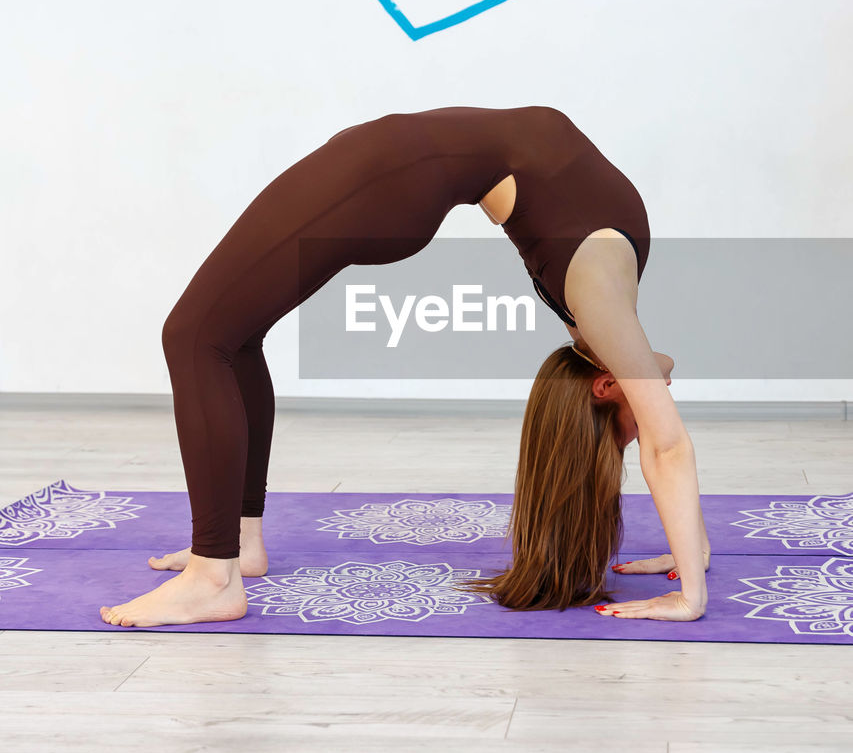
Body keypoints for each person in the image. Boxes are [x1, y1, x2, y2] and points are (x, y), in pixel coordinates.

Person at [99, 106, 710, 628]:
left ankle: (214, 576)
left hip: (391, 171)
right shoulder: (604, 307)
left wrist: (690, 578)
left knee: (194, 335)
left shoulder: (602, 300)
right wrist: (693, 566)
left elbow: (663, 434)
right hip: (396, 171)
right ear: (607, 381)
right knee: (227, 335)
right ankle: (240, 544)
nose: (652, 408)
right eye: (626, 434)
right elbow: (667, 438)